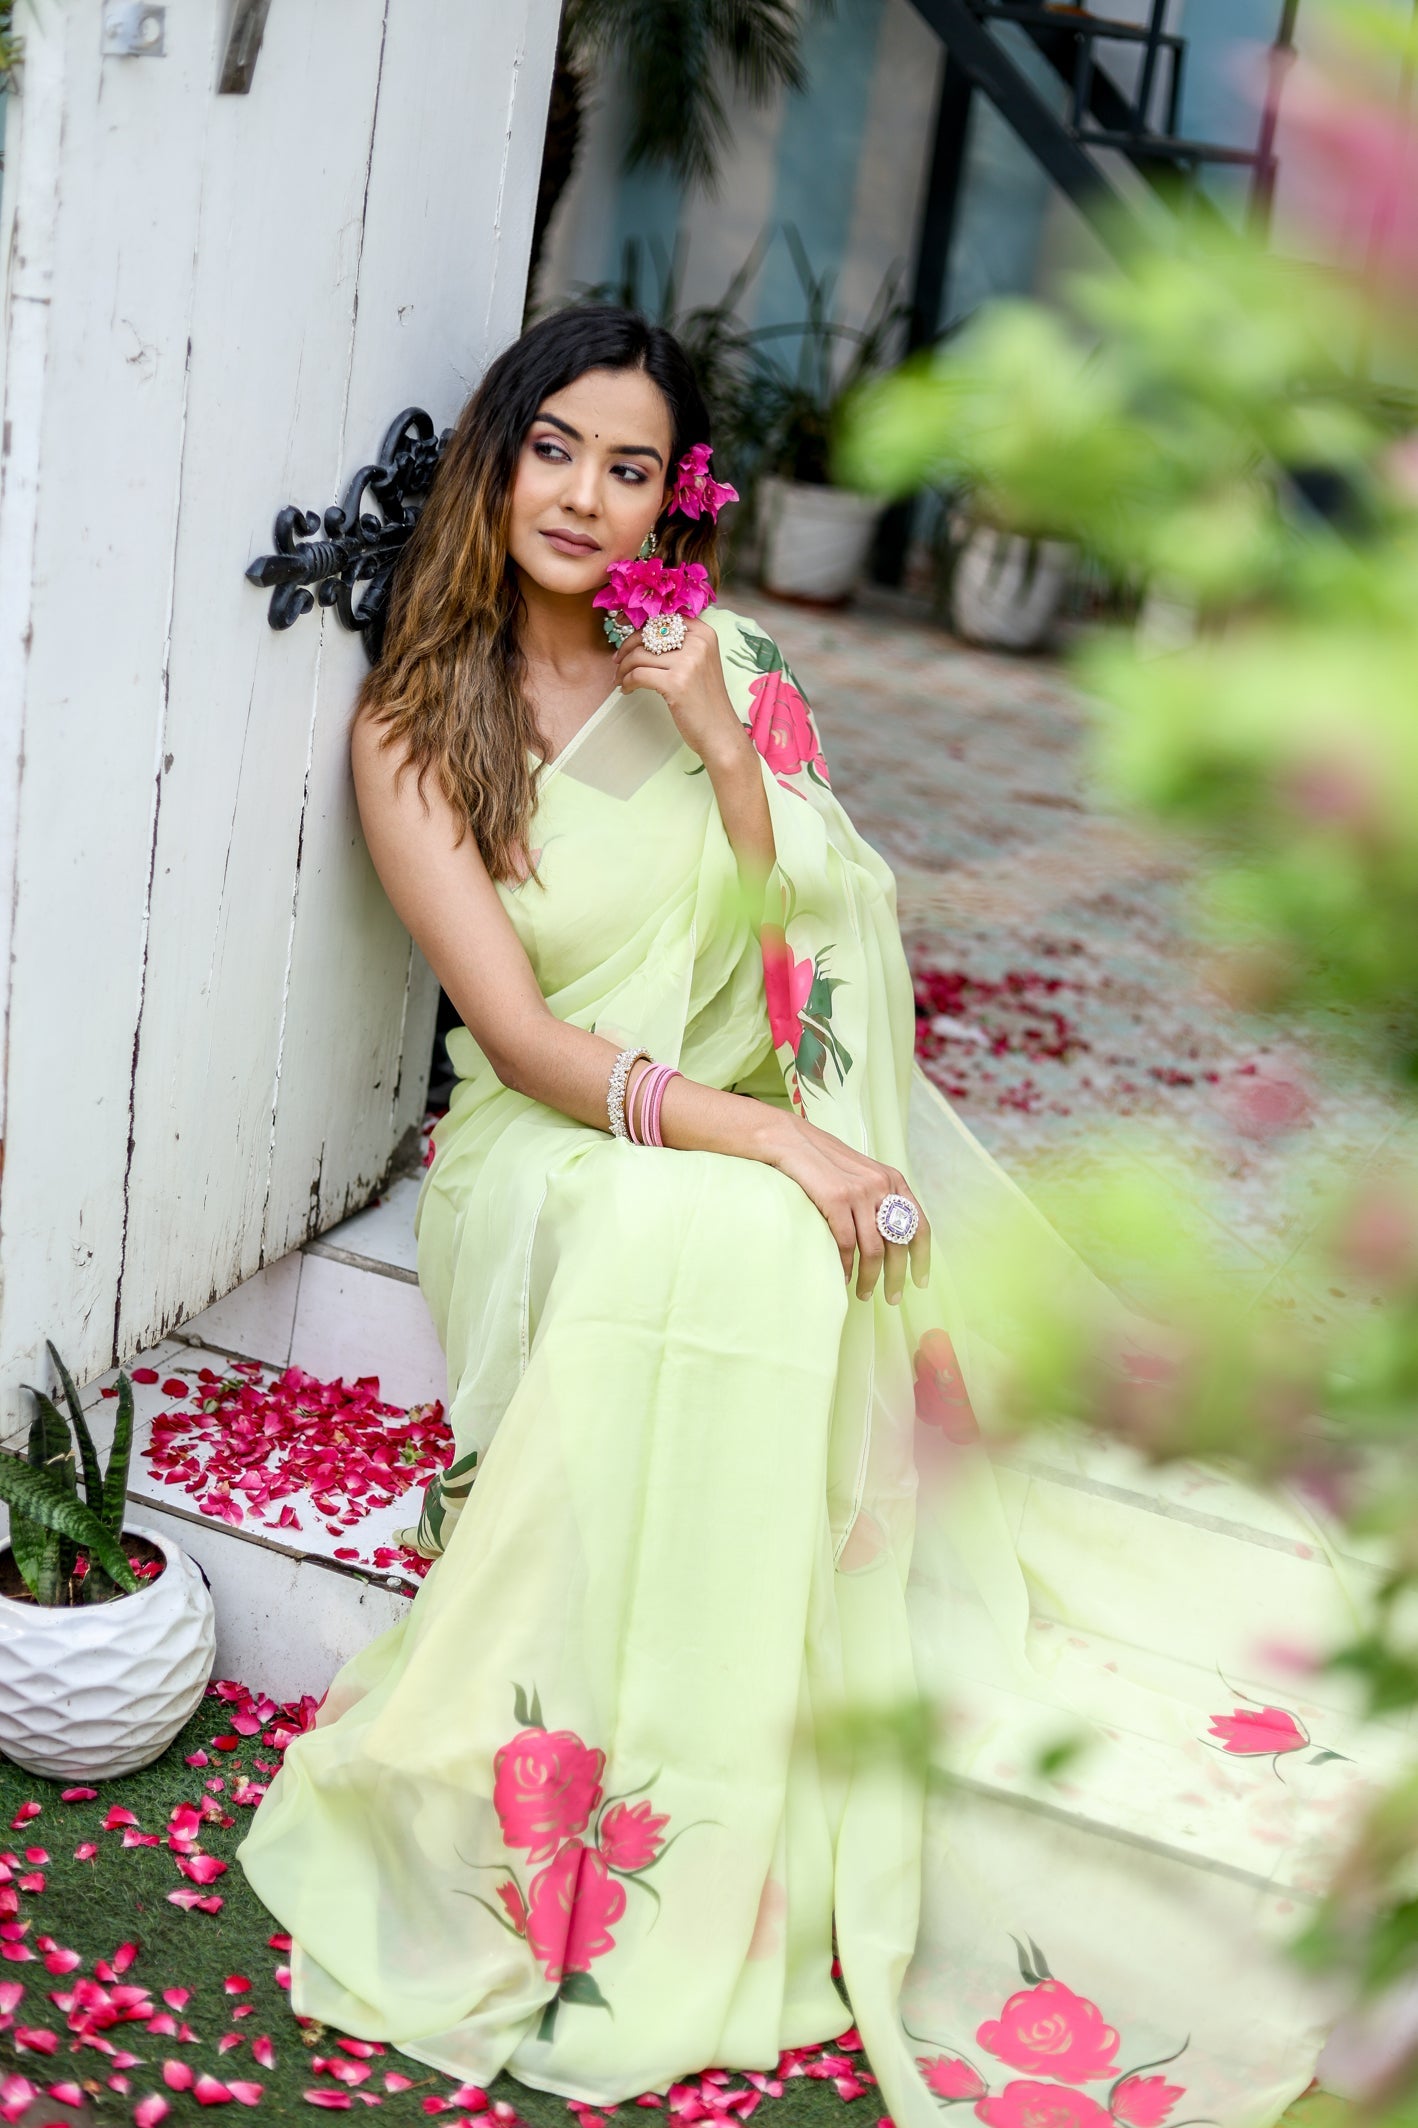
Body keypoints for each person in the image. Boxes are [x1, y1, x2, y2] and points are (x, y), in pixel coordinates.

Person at [238, 307, 1380, 2127]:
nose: (584, 497)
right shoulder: (413, 720)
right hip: (546, 1142)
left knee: (759, 1239)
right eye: (554, 449)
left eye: (628, 466)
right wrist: (775, 1153)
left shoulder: (731, 664)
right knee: (728, 1225)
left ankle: (712, 1771)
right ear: (496, 453)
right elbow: (525, 1039)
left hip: (726, 1106)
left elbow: (803, 943)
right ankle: (584, 1797)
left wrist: (716, 743)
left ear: (670, 494)